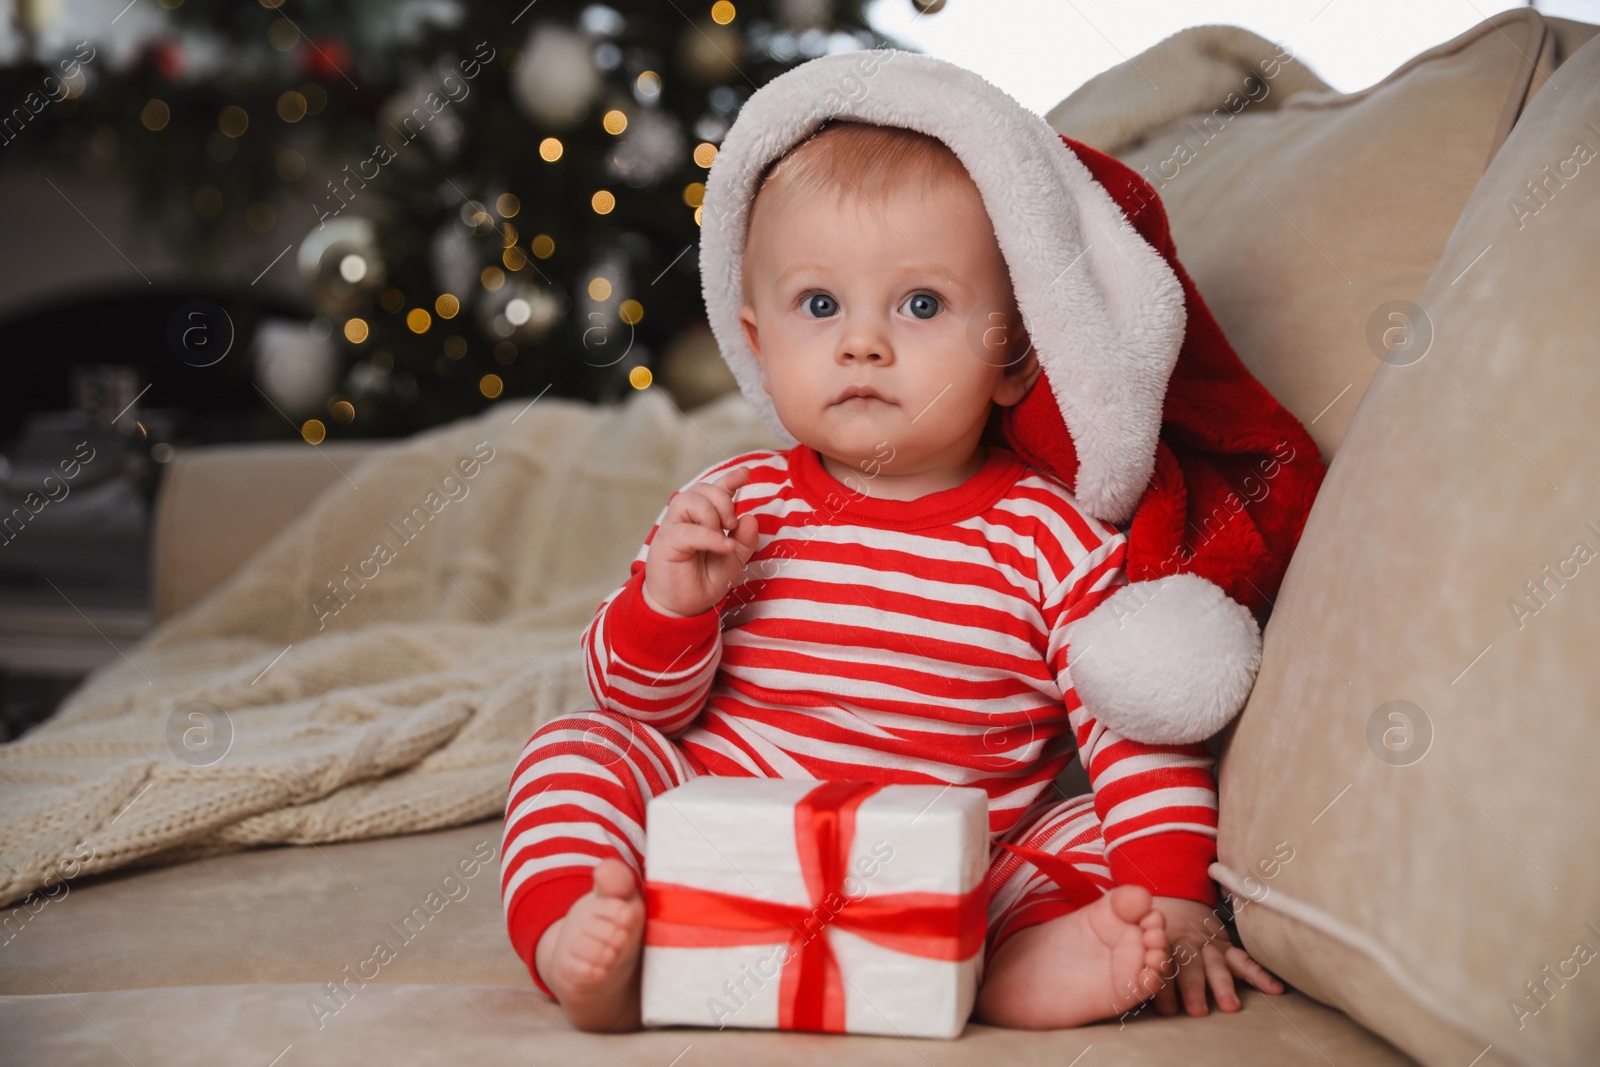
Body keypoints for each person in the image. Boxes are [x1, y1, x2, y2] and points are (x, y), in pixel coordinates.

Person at [502, 50, 1324, 1033]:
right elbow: (637, 699)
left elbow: (1129, 739)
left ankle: (1008, 965)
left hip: (949, 870)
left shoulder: (1050, 538)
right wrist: (670, 604)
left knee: (1102, 830)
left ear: (1016, 355)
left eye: (921, 304)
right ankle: (581, 945)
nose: (862, 343)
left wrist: (1179, 897)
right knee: (576, 747)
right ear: (757, 343)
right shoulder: (733, 502)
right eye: (820, 305)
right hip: (726, 828)